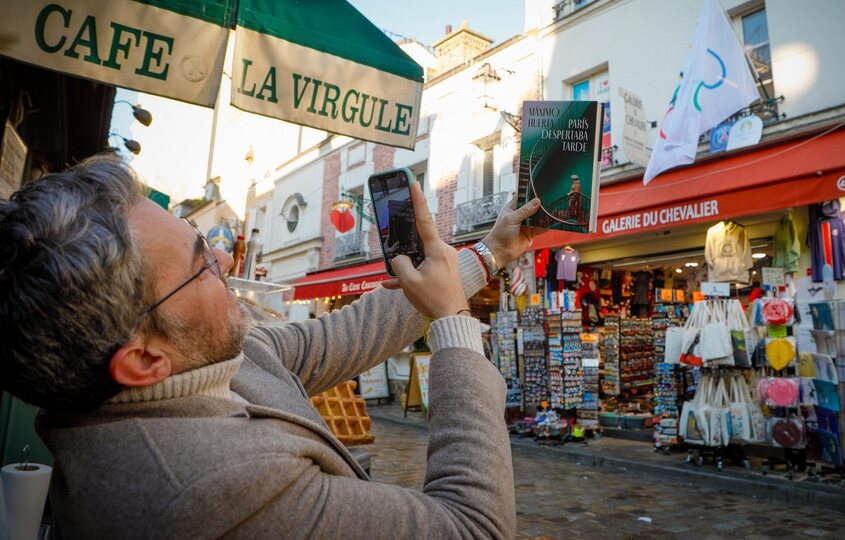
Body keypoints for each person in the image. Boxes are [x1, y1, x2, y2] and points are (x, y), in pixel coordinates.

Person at [0, 154, 541, 539]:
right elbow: (473, 526)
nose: (227, 262)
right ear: (144, 358)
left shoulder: (199, 359)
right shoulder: (209, 492)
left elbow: (345, 334)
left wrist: (490, 254)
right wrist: (452, 322)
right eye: (201, 266)